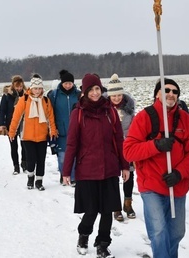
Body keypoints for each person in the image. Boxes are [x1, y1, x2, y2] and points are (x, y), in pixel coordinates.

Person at [123, 78, 189, 258]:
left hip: (177, 185)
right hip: (152, 185)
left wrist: (179, 173)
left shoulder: (186, 120)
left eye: (175, 92)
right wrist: (156, 146)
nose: (171, 94)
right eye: (166, 90)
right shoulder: (145, 117)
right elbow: (129, 151)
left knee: (177, 232)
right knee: (159, 232)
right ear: (157, 94)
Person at [62, 73, 130, 258]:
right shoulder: (78, 113)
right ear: (84, 92)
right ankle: (83, 235)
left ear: (102, 89)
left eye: (97, 89)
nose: (94, 92)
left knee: (107, 210)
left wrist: (124, 165)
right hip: (87, 170)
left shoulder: (110, 111)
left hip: (109, 168)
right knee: (91, 211)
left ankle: (103, 244)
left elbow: (118, 139)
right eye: (90, 89)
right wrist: (66, 170)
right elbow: (72, 144)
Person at [8, 74, 58, 190]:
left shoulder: (45, 101)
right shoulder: (24, 100)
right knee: (31, 160)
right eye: (35, 88)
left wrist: (53, 131)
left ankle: (39, 181)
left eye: (39, 88)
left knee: (41, 160)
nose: (37, 91)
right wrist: (12, 132)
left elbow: (50, 118)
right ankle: (30, 178)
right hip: (27, 137)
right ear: (31, 88)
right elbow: (16, 117)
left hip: (42, 136)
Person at [105, 73, 137, 222]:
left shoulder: (129, 110)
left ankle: (128, 203)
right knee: (113, 178)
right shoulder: (104, 111)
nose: (117, 98)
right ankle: (115, 207)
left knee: (128, 176)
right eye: (113, 96)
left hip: (127, 147)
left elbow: (134, 128)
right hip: (111, 149)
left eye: (119, 95)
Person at [47, 69, 81, 186]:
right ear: (61, 83)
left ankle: (73, 177)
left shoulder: (78, 94)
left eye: (70, 83)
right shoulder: (54, 95)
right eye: (65, 83)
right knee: (62, 156)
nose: (68, 85)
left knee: (75, 155)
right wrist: (52, 128)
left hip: (76, 130)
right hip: (61, 131)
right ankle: (64, 174)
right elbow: (50, 113)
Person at [0, 75, 27, 174]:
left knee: (25, 145)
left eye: (20, 86)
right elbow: (2, 110)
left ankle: (24, 163)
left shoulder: (26, 95)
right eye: (17, 87)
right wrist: (2, 124)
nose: (19, 88)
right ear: (13, 86)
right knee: (13, 146)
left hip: (24, 123)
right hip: (11, 124)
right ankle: (16, 166)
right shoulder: (7, 96)